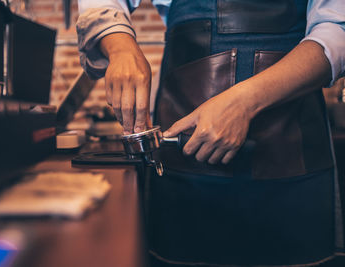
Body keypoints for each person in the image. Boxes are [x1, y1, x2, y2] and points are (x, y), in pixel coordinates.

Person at [77, 0, 345, 266]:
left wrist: (245, 101)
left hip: (292, 166)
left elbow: (337, 30)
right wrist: (121, 47)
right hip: (185, 174)